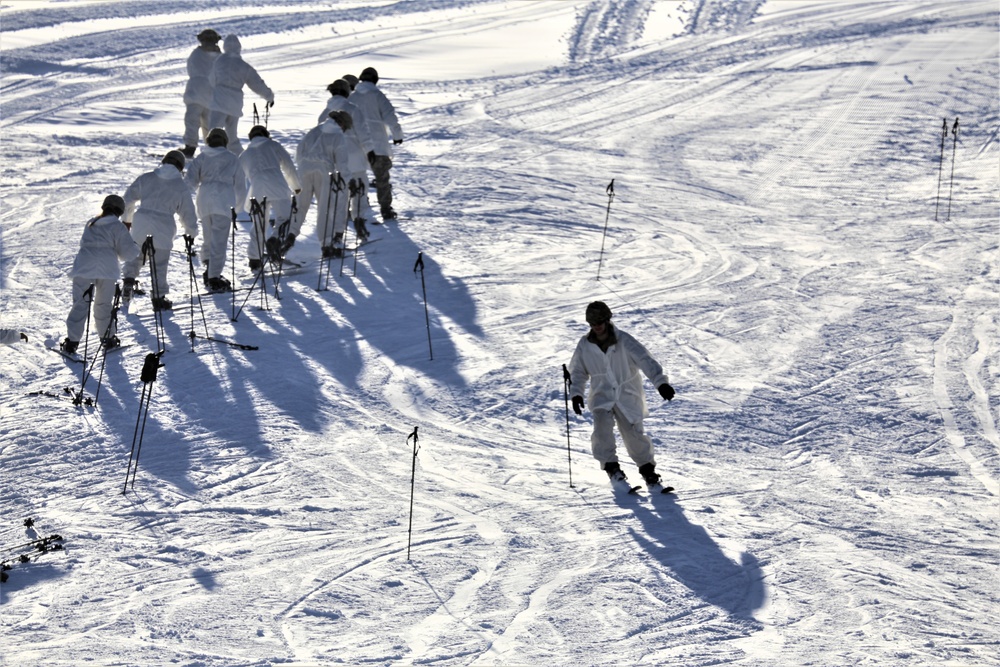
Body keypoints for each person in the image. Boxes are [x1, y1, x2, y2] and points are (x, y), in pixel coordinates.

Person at [568, 301, 676, 493]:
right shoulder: (584, 345)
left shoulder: (624, 340)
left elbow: (645, 360)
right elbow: (577, 372)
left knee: (633, 434)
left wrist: (661, 382)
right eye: (593, 323)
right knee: (602, 430)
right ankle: (612, 469)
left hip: (627, 395)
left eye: (600, 321)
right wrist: (576, 393)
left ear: (607, 319)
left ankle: (648, 472)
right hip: (601, 395)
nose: (597, 326)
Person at [61, 195, 139, 353]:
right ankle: (108, 339)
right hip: (107, 269)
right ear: (119, 211)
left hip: (84, 266)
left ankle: (72, 342)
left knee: (80, 304)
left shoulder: (91, 223)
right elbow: (128, 253)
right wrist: (135, 246)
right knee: (103, 305)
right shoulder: (117, 226)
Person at [122, 151, 198, 312]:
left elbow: (127, 199)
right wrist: (191, 232)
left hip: (141, 221)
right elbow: (188, 213)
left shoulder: (146, 178)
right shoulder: (180, 186)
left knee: (136, 255)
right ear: (180, 167)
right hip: (164, 226)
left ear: (164, 161)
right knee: (159, 264)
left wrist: (127, 220)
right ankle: (158, 297)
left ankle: (128, 280)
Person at [185, 127, 246, 291]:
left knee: (208, 236)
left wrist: (183, 201)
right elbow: (240, 186)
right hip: (224, 200)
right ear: (225, 142)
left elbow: (189, 181)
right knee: (219, 240)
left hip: (204, 199)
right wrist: (238, 208)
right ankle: (214, 277)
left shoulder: (202, 157)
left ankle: (209, 265)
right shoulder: (232, 159)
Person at [238, 125, 301, 270]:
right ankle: (275, 239)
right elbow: (288, 165)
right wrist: (296, 185)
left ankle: (254, 258)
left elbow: (239, 179)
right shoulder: (273, 145)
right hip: (277, 184)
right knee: (285, 218)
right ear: (266, 134)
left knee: (259, 224)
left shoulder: (245, 154)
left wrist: (237, 202)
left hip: (257, 189)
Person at [317, 79, 376, 229]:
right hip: (355, 158)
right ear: (346, 92)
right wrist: (370, 151)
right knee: (360, 190)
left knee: (338, 196)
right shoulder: (354, 109)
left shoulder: (323, 114)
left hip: (334, 161)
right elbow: (363, 133)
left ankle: (337, 232)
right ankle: (359, 220)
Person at [294, 110, 352, 259]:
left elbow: (299, 151)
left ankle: (285, 240)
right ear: (342, 123)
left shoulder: (314, 130)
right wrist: (347, 180)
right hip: (323, 171)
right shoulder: (338, 136)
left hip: (303, 169)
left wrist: (303, 166)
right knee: (325, 208)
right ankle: (327, 245)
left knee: (300, 206)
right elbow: (342, 162)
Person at [349, 67, 403, 222]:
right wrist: (397, 135)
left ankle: (353, 207)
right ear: (375, 80)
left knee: (357, 176)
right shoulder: (378, 96)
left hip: (357, 145)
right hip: (378, 145)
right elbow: (390, 116)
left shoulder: (353, 97)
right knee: (382, 179)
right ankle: (385, 209)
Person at [208, 34, 274, 155]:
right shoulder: (243, 66)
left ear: (225, 47)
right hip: (235, 103)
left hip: (219, 101)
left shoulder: (219, 61)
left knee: (214, 131)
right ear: (239, 47)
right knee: (231, 135)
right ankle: (241, 158)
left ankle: (211, 155)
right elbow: (256, 83)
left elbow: (211, 79)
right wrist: (269, 96)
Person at [181, 29, 222, 158]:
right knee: (208, 124)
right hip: (211, 95)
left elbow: (191, 70)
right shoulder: (220, 57)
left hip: (197, 93)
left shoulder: (196, 55)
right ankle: (211, 148)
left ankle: (191, 147)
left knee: (193, 121)